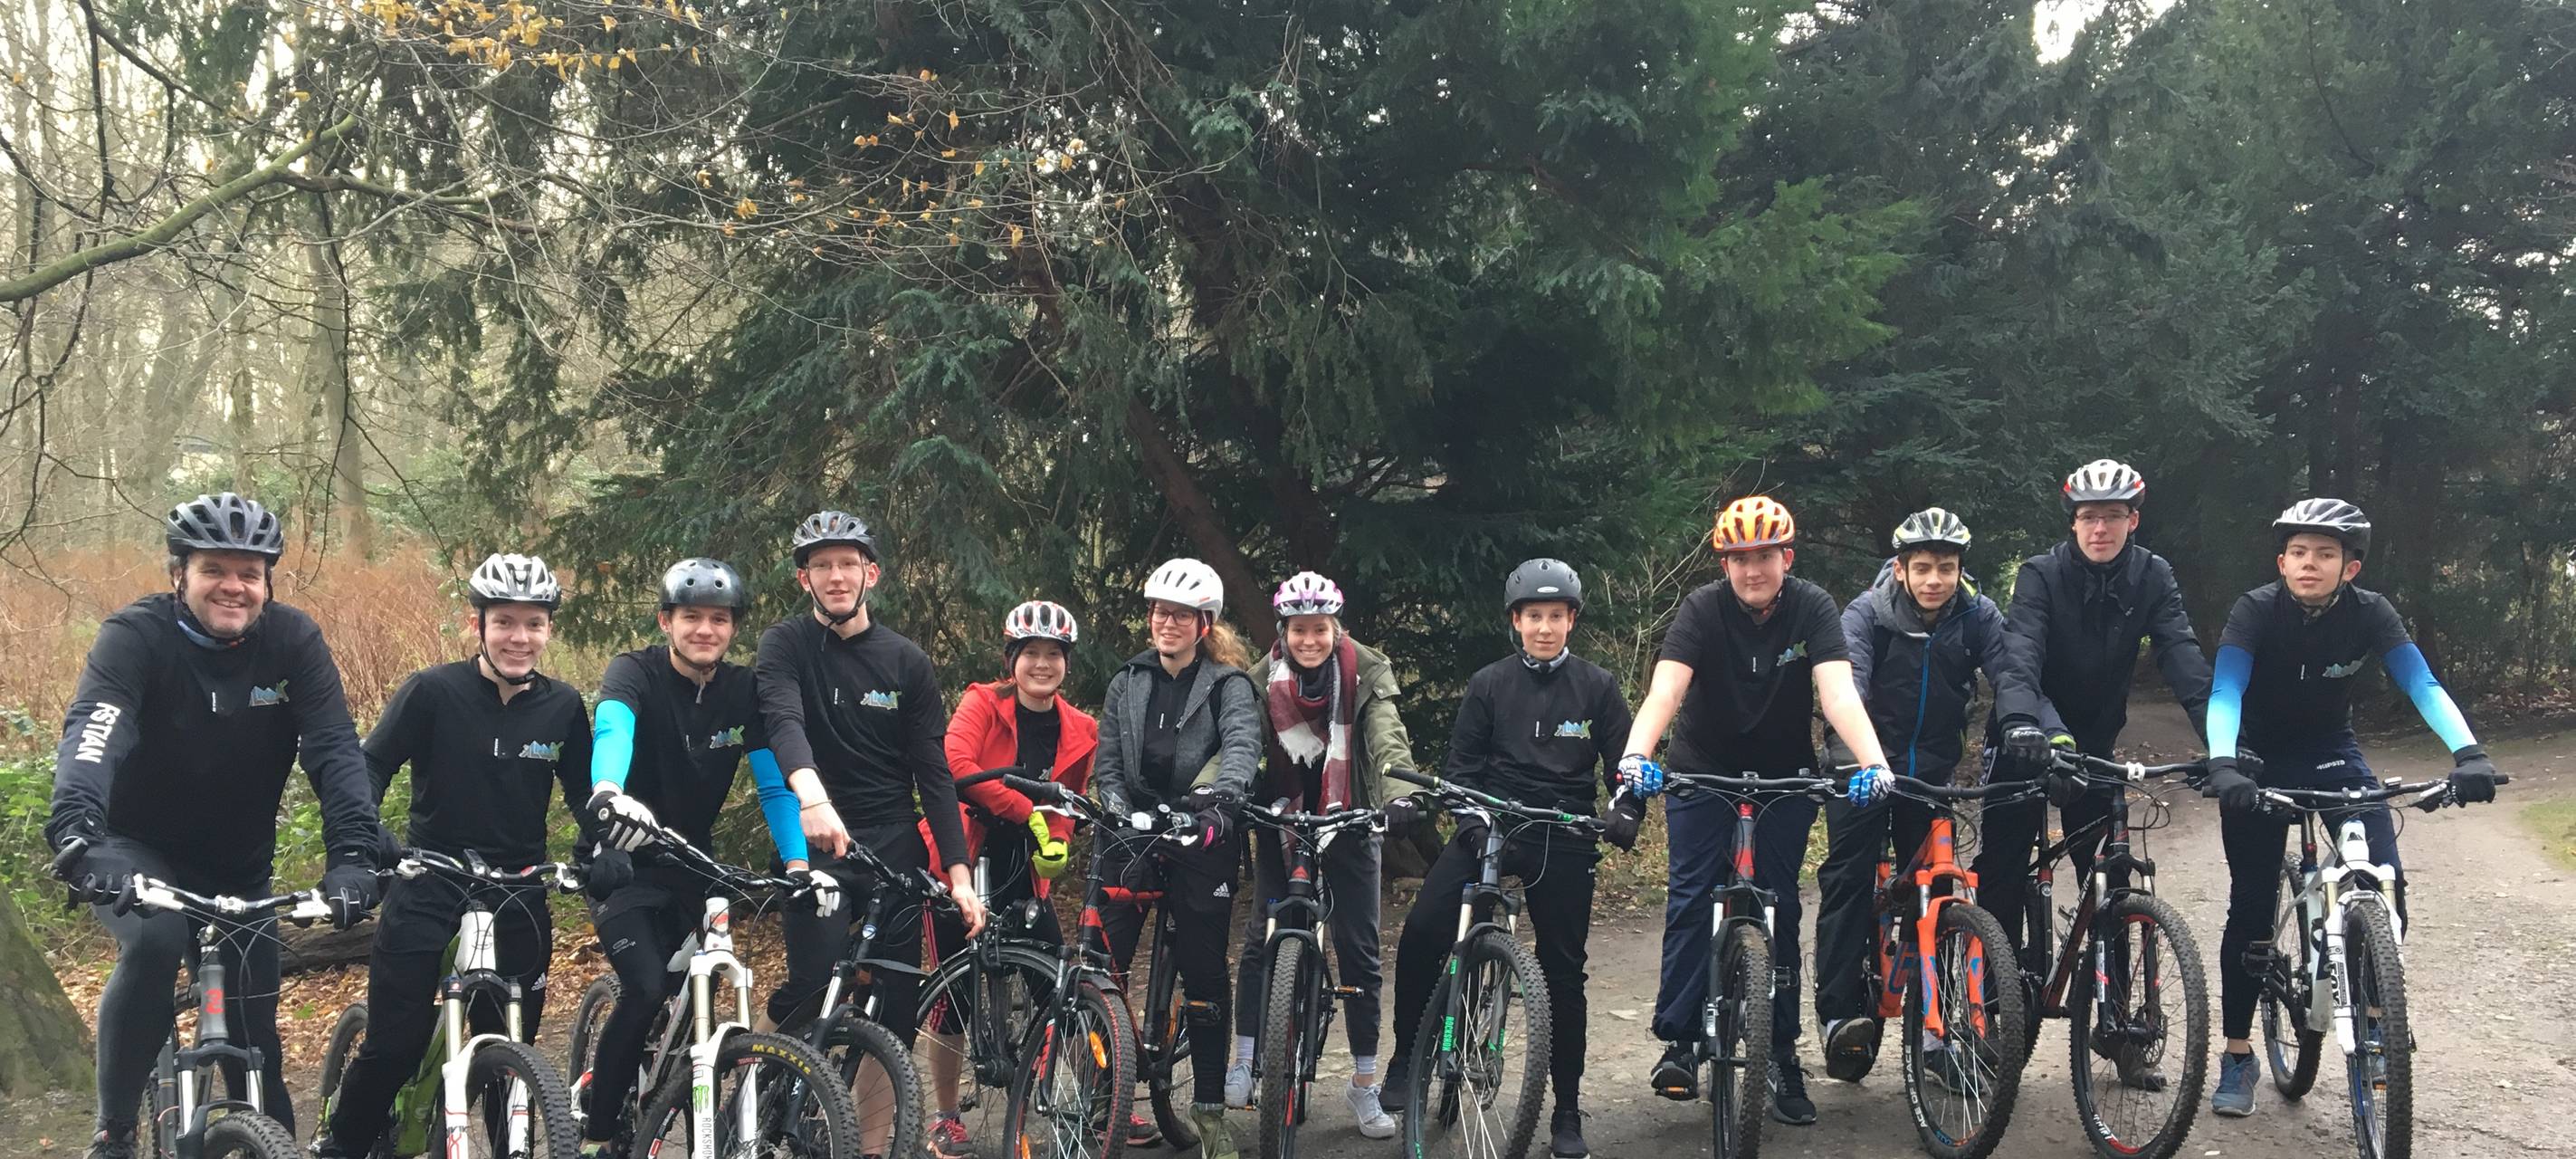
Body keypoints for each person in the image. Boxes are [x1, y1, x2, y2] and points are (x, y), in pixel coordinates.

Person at [46, 493, 384, 1158]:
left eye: (249, 573)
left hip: (238, 864)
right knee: (153, 942)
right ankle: (114, 1131)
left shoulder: (293, 643)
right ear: (180, 574)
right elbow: (96, 731)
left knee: (256, 1036)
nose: (234, 586)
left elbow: (334, 749)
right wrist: (79, 828)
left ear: (267, 582)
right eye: (214, 569)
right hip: (133, 849)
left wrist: (353, 852)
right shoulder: (136, 636)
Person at [2200, 499, 2501, 1117]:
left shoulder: (2372, 614)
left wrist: (2468, 753)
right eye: (2300, 553)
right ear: (2282, 561)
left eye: (2327, 554)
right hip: (2255, 758)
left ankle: (2373, 1015)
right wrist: (2224, 762)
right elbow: (2226, 688)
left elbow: (2422, 683)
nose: (2311, 564)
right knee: (2252, 908)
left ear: (2351, 568)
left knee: (2383, 880)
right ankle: (2237, 1055)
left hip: (2329, 752)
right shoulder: (2256, 610)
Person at [1622, 495, 1893, 1127]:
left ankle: (1780, 1055)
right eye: (1739, 559)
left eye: (1764, 556)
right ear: (1725, 564)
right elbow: (1667, 688)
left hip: (1785, 771)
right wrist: (1638, 754)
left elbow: (1837, 692)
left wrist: (1874, 762)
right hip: (1702, 764)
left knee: (1782, 904)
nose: (1752, 570)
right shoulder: (1701, 610)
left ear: (1785, 558)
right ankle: (1681, 1041)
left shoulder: (1812, 606)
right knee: (1692, 892)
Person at [318, 553, 596, 1158]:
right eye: (504, 622)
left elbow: (583, 793)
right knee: (397, 1042)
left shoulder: (564, 706)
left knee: (508, 1046)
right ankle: (341, 1143)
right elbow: (369, 765)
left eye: (533, 624)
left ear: (549, 629)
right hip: (431, 877)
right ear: (478, 625)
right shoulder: (432, 691)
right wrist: (367, 836)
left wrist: (597, 848)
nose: (519, 638)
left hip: (519, 886)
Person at [1384, 558, 1640, 1159]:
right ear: (1516, 622)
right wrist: (1474, 828)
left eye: (1555, 616)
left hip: (1564, 830)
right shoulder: (1489, 684)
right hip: (1490, 822)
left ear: (1571, 620)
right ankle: (1405, 1059)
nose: (1544, 627)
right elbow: (1460, 772)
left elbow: (1627, 767)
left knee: (1563, 970)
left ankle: (1567, 1110)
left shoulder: (1598, 688)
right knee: (1423, 928)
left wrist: (1627, 811)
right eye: (1533, 617)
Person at [575, 559, 834, 1154]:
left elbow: (773, 786)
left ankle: (703, 1142)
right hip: (623, 859)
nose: (704, 630)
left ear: (732, 628)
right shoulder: (633, 672)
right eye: (691, 617)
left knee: (698, 1011)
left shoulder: (742, 692)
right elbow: (615, 730)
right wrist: (608, 794)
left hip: (694, 864)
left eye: (718, 619)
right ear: (667, 621)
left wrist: (798, 865)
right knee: (642, 990)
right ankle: (596, 1135)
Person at [1811, 509, 2043, 1089]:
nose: (1935, 579)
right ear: (1901, 568)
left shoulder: (1977, 614)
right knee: (1848, 875)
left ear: (1960, 570)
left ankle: (1941, 1035)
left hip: (1931, 772)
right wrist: (1862, 758)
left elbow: (2009, 670)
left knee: (1939, 887)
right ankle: (1839, 1012)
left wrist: (2018, 722)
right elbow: (1849, 686)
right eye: (1923, 568)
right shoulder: (1866, 614)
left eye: (1946, 567)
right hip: (1861, 764)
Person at [1970, 458, 2212, 969]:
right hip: (2025, 737)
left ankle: (2116, 1005)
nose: (2100, 528)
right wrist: (2018, 722)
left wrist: (2225, 740)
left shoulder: (2153, 575)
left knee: (2110, 878)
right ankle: (1999, 998)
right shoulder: (2041, 574)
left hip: (2095, 748)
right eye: (2088, 517)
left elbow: (2182, 657)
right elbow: (2020, 659)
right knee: (2003, 869)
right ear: (2073, 521)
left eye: (2112, 516)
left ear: (2133, 520)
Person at [757, 511, 988, 1042]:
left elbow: (933, 774)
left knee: (894, 1011)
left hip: (892, 845)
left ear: (871, 574)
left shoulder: (906, 660)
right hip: (815, 838)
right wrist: (811, 798)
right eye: (821, 566)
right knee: (811, 989)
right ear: (804, 579)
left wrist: (958, 875)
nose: (835, 576)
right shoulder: (784, 645)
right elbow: (783, 722)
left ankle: (875, 1129)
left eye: (847, 564)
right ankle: (744, 1087)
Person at [1220, 571, 1417, 1139]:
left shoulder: (1366, 671)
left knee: (1360, 950)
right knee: (1261, 936)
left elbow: (1385, 735)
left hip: (1350, 815)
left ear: (1336, 629)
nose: (1310, 640)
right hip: (1280, 816)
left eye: (1320, 630)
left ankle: (1362, 1083)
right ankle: (1245, 1059)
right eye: (1299, 630)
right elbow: (1240, 744)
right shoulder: (1260, 680)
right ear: (1283, 632)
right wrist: (1226, 792)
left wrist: (1397, 793)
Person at [1089, 558, 1263, 1159]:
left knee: (1206, 973)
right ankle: (1101, 1092)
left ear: (1204, 624)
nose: (1167, 622)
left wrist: (1218, 803)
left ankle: (1210, 1112)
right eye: (1160, 611)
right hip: (1134, 831)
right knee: (1099, 962)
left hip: (1200, 832)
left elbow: (1242, 749)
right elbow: (1108, 762)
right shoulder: (1127, 681)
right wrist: (1113, 806)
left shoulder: (1229, 686)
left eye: (1181, 615)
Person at [921, 599, 1099, 1159]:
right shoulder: (981, 703)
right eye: (1031, 654)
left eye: (1053, 655)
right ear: (1012, 659)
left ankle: (1098, 1101)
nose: (1042, 665)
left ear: (1066, 663)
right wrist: (1030, 813)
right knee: (955, 998)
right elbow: (955, 768)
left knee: (1058, 986)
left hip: (1026, 865)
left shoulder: (1082, 729)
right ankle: (946, 1117)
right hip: (961, 856)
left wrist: (1061, 840)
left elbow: (1069, 802)